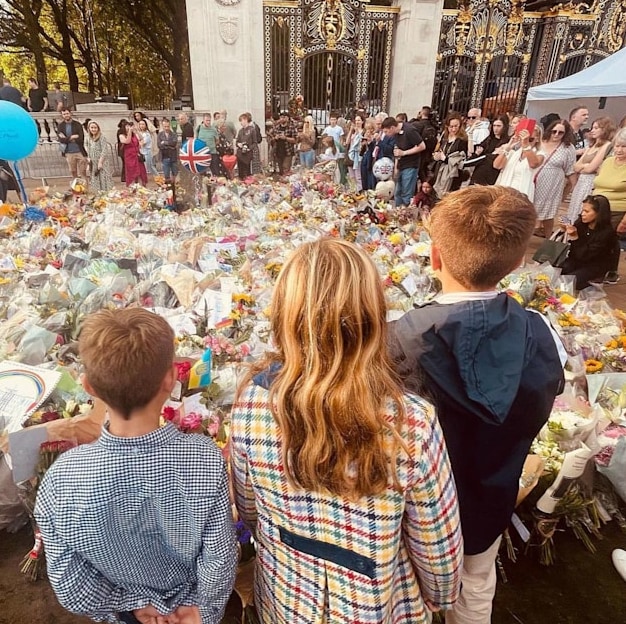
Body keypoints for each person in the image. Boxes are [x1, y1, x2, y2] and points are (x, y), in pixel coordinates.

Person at [231, 238, 463, 624]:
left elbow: (251, 511)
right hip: (378, 602)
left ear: (286, 317)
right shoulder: (411, 422)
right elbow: (437, 544)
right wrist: (441, 593)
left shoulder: (251, 407)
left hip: (287, 595)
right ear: (372, 319)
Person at [389, 185, 565, 624]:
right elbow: (548, 394)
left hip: (413, 511)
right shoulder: (541, 332)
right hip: (491, 492)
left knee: (410, 590)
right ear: (519, 261)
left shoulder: (395, 341)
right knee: (476, 584)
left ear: (435, 257)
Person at [35, 308, 237, 624]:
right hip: (191, 612)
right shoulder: (204, 458)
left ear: (88, 386)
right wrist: (203, 610)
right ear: (171, 380)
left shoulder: (61, 479)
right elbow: (219, 556)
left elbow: (69, 583)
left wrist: (130, 606)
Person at [560, 195, 619, 289]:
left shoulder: (607, 232)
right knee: (556, 272)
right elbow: (573, 252)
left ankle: (593, 284)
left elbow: (586, 256)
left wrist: (575, 237)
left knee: (570, 282)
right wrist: (564, 230)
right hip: (576, 260)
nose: (583, 214)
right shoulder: (581, 223)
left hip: (594, 265)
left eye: (587, 211)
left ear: (598, 213)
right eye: (582, 210)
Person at [534, 119, 577, 238]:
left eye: (560, 132)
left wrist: (571, 189)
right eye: (554, 131)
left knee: (548, 214)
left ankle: (548, 239)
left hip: (552, 184)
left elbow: (570, 170)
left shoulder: (568, 148)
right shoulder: (541, 142)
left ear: (566, 133)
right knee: (530, 211)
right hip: (534, 180)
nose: (556, 135)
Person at [567, 116, 616, 222]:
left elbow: (590, 168)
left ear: (605, 129)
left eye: (596, 128)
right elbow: (575, 166)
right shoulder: (591, 145)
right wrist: (585, 166)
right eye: (592, 128)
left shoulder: (607, 145)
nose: (592, 131)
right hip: (581, 182)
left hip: (590, 183)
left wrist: (584, 167)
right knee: (573, 209)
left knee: (583, 211)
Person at [382, 116, 425, 208]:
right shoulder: (396, 134)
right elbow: (398, 150)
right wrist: (396, 167)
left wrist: (404, 153)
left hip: (411, 164)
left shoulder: (409, 130)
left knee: (406, 192)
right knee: (397, 192)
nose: (386, 134)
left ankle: (406, 214)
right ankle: (398, 212)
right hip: (401, 164)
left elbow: (422, 146)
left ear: (392, 128)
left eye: (386, 131)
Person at [493, 126, 544, 201]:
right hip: (505, 189)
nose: (525, 141)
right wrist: (508, 147)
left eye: (530, 139)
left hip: (523, 191)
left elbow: (533, 164)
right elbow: (497, 165)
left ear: (537, 139)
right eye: (523, 139)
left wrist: (526, 145)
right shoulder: (513, 152)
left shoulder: (540, 154)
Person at [594, 128, 626, 233]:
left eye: (624, 146)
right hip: (596, 209)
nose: (619, 150)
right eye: (617, 146)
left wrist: (624, 222)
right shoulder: (607, 161)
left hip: (617, 214)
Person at [432, 113, 467, 197]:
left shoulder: (462, 141)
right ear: (447, 126)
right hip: (440, 170)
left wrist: (444, 158)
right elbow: (438, 150)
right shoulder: (444, 138)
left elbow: (460, 161)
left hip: (453, 174)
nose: (454, 129)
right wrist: (436, 156)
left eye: (456, 126)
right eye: (451, 126)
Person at [468, 115, 509, 186]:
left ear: (504, 127)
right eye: (494, 126)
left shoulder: (507, 142)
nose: (495, 128)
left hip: (491, 177)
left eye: (499, 126)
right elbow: (472, 151)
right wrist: (471, 133)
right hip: (478, 173)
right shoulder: (489, 139)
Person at [57, 108, 88, 179]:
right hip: (68, 152)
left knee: (83, 172)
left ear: (70, 113)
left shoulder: (77, 124)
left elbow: (80, 138)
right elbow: (61, 139)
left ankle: (85, 188)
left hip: (79, 151)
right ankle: (75, 188)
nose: (66, 115)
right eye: (64, 114)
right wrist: (72, 137)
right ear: (62, 115)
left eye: (67, 113)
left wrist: (67, 138)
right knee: (73, 172)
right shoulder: (60, 126)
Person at [85, 121, 114, 193]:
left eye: (95, 128)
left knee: (104, 177)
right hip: (93, 161)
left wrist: (100, 162)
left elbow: (104, 150)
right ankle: (98, 193)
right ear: (89, 128)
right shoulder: (87, 138)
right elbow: (86, 147)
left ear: (98, 128)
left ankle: (107, 193)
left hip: (102, 161)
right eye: (92, 128)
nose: (93, 129)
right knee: (95, 177)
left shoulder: (102, 137)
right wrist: (88, 159)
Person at [118, 120, 147, 187]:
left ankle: (141, 186)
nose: (128, 127)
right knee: (132, 172)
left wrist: (136, 131)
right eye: (127, 126)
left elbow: (141, 138)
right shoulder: (121, 135)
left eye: (129, 126)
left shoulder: (134, 134)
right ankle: (132, 186)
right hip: (129, 156)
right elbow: (127, 141)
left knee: (140, 171)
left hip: (137, 154)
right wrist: (130, 132)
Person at [269, 110, 297, 175]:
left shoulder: (291, 127)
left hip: (287, 152)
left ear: (287, 118)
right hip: (278, 151)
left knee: (286, 170)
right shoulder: (277, 127)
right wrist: (275, 138)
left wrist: (286, 138)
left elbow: (295, 140)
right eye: (281, 117)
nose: (282, 119)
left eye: (284, 117)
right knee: (280, 171)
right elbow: (271, 139)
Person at [157, 117, 180, 184]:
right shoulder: (160, 135)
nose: (166, 128)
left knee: (174, 173)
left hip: (173, 157)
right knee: (166, 174)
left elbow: (174, 143)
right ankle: (168, 188)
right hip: (164, 157)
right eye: (165, 126)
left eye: (168, 126)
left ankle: (174, 187)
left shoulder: (174, 134)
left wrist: (164, 142)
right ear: (162, 126)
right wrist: (168, 144)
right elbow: (159, 145)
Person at [235, 112, 256, 179]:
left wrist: (249, 148)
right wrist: (238, 144)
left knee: (247, 173)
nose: (241, 123)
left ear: (245, 120)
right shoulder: (240, 131)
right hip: (240, 154)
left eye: (241, 121)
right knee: (240, 173)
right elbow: (237, 141)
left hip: (247, 155)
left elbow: (255, 142)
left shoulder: (252, 130)